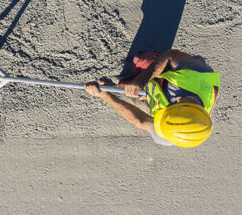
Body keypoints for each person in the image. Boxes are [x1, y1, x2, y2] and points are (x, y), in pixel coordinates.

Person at [85, 49, 220, 148]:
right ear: (177, 101)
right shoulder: (197, 72)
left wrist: (103, 94)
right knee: (141, 61)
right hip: (171, 73)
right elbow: (170, 54)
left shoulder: (172, 131)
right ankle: (148, 61)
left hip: (159, 94)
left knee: (125, 88)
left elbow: (140, 121)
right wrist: (141, 81)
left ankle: (135, 87)